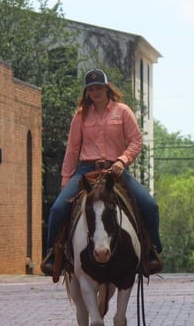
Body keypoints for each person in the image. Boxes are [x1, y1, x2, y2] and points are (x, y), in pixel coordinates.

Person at [42, 68, 162, 277]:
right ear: (87, 92)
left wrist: (122, 161)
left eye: (99, 87)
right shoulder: (80, 115)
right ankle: (53, 255)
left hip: (115, 171)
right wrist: (66, 179)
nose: (95, 92)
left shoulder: (122, 111)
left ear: (107, 88)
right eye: (91, 88)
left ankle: (152, 252)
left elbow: (136, 140)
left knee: (150, 206)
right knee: (58, 209)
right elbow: (72, 148)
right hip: (86, 170)